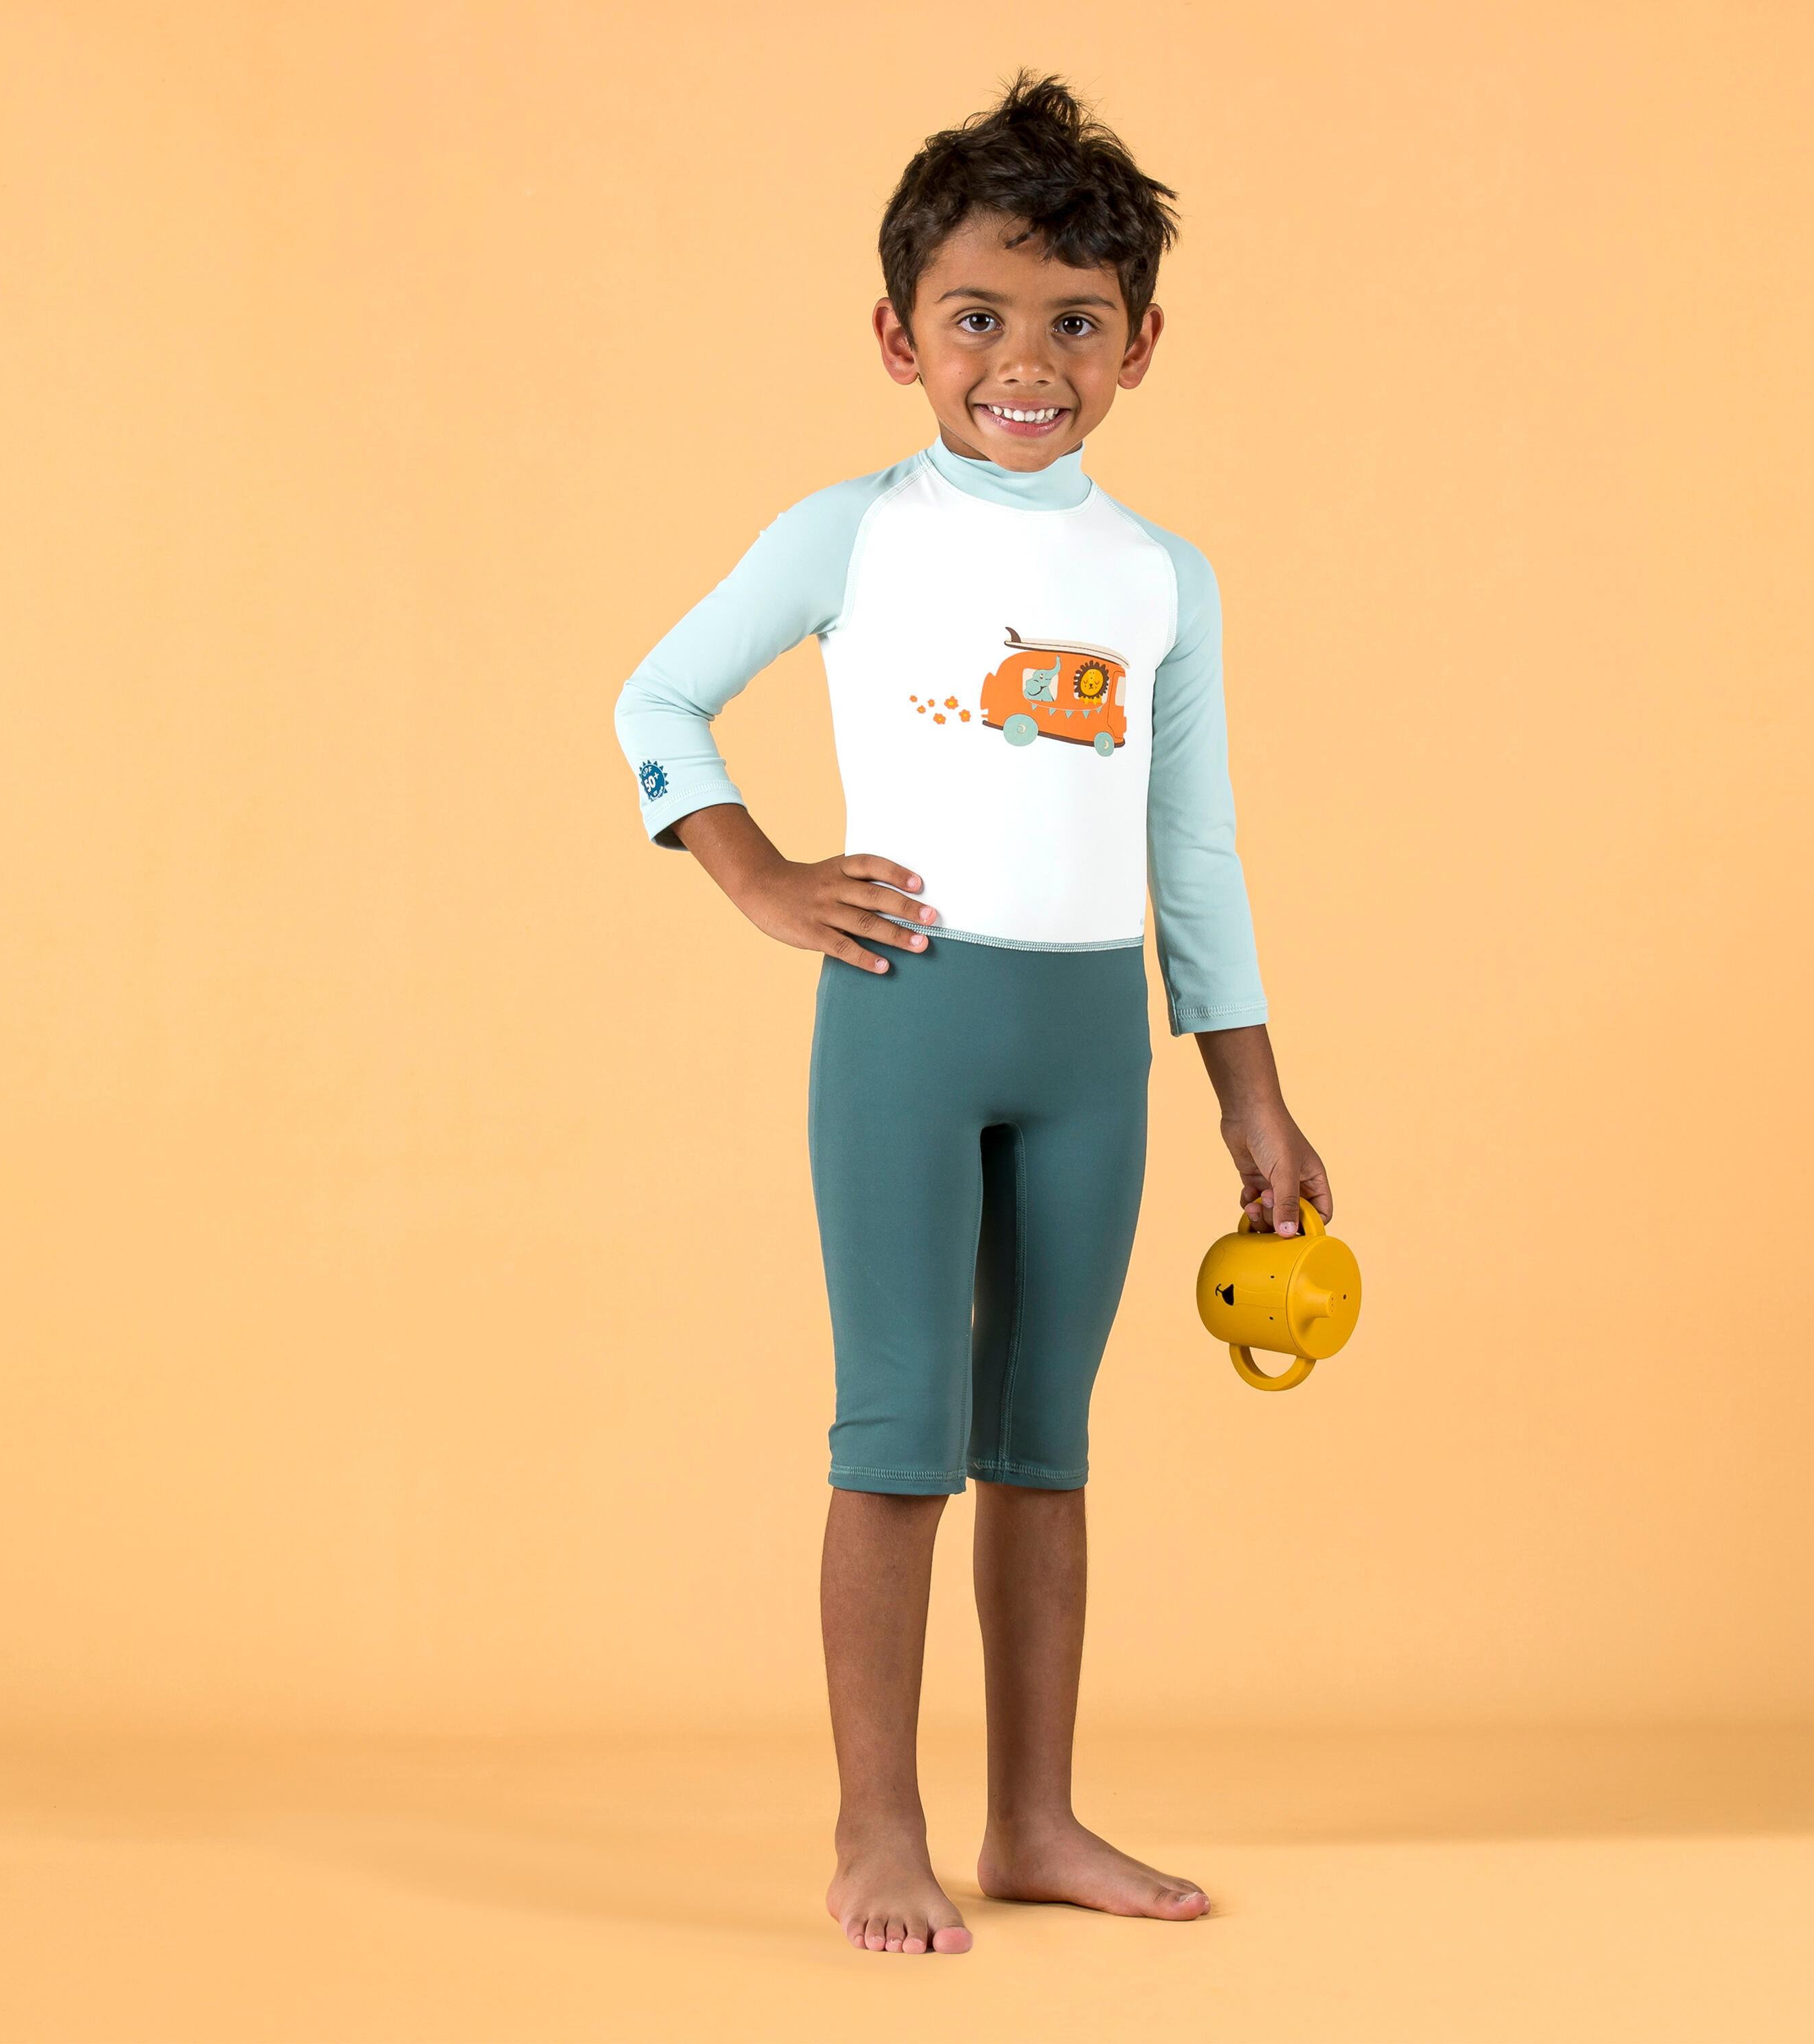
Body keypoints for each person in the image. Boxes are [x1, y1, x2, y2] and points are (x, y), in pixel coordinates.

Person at [614, 70, 1332, 1956]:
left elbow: (1195, 850)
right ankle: (878, 1829)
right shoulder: (850, 534)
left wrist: (1252, 1094)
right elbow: (657, 702)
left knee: (1046, 1438)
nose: (1027, 363)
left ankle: (1034, 1818)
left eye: (1077, 323)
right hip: (908, 1029)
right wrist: (760, 876)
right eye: (979, 319)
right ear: (899, 336)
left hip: (1095, 1052)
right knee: (898, 1430)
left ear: (1140, 344)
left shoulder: (1161, 580)